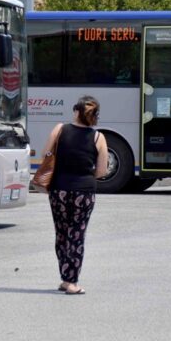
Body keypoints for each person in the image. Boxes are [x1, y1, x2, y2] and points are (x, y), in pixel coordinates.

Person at [41, 95, 108, 295]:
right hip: (84, 192)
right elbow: (102, 171)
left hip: (58, 190)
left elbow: (46, 155)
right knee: (77, 235)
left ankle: (65, 278)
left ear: (77, 111)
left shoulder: (59, 130)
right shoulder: (98, 137)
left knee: (61, 233)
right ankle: (72, 282)